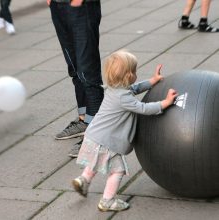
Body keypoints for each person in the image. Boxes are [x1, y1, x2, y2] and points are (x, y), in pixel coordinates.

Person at [72, 50, 178, 212]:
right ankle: (107, 201)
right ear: (128, 75)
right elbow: (143, 108)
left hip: (95, 136)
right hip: (106, 141)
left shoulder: (115, 90)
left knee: (96, 160)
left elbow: (134, 88)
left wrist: (152, 81)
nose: (136, 74)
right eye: (134, 71)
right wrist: (166, 102)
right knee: (117, 170)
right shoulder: (123, 98)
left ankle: (84, 179)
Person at [47, 0, 104, 157]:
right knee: (74, 67)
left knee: (88, 71)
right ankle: (84, 119)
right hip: (58, 6)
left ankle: (96, 134)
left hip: (82, 6)